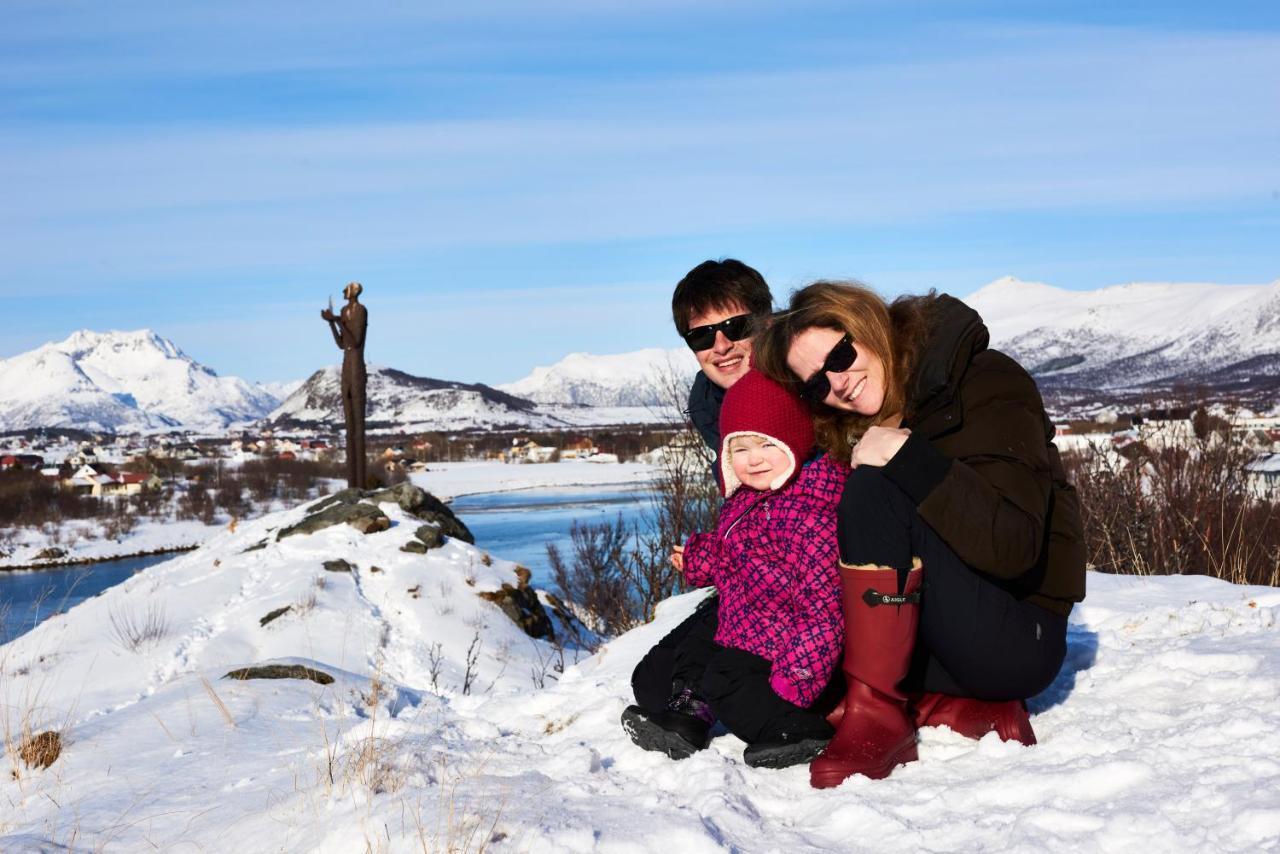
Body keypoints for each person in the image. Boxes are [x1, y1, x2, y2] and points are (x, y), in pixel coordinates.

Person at [755, 281, 1086, 788]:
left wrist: (908, 458)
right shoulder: (859, 426)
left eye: (841, 355)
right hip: (946, 633)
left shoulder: (984, 381)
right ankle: (951, 704)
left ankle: (880, 719)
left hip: (1018, 635)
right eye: (817, 383)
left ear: (867, 325)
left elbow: (1014, 547)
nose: (838, 383)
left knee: (873, 490)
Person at [621, 370, 847, 767]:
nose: (754, 458)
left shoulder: (811, 515)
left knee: (727, 681)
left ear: (795, 440)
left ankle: (795, 729)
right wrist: (697, 557)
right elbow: (735, 550)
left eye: (767, 444)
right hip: (745, 620)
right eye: (740, 449)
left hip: (783, 638)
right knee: (689, 658)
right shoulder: (752, 498)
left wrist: (797, 678)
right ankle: (685, 722)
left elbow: (824, 609)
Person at [627, 260, 775, 718]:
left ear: (766, 321)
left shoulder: (805, 383)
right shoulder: (712, 404)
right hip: (758, 579)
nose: (721, 345)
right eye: (702, 335)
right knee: (653, 684)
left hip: (817, 589)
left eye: (736, 326)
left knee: (723, 684)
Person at [321, 281, 369, 489]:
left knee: (358, 428)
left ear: (352, 292)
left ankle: (360, 485)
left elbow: (356, 341)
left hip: (357, 369)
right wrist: (332, 323)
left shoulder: (360, 311)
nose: (343, 293)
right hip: (346, 370)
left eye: (345, 290)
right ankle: (352, 487)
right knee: (349, 428)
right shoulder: (344, 311)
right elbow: (343, 344)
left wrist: (338, 321)